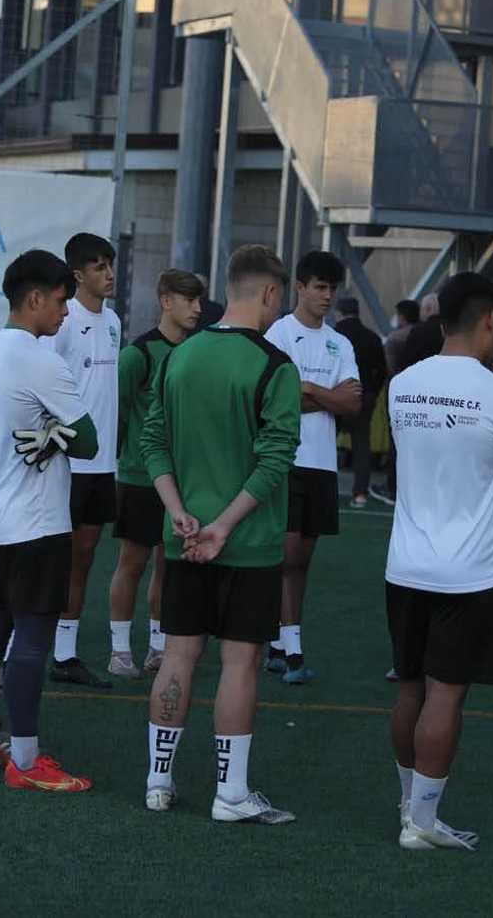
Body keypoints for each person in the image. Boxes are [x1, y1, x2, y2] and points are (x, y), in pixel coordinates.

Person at [141, 245, 301, 824]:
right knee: (240, 663)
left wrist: (181, 513)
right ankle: (230, 795)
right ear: (269, 294)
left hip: (184, 538)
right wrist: (223, 527)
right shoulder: (275, 364)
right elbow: (275, 458)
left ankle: (158, 783)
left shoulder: (178, 357)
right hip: (247, 543)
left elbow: (151, 440)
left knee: (178, 655)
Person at [386, 272, 493, 850]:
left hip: (405, 563)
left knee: (409, 688)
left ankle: (408, 805)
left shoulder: (402, 385)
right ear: (491, 321)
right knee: (446, 693)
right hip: (470, 571)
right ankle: (421, 822)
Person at [0, 249, 100, 791]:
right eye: (62, 300)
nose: (67, 311)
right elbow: (86, 440)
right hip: (37, 523)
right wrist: (57, 436)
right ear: (35, 298)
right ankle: (24, 760)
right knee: (33, 641)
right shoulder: (42, 358)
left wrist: (47, 436)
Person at [263, 250, 362, 683]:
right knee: (285, 559)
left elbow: (353, 402)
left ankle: (278, 644)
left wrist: (305, 387)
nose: (326, 296)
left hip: (322, 465)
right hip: (285, 460)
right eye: (319, 287)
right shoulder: (278, 334)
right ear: (298, 288)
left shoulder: (342, 342)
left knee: (301, 561)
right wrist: (325, 394)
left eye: (332, 288)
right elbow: (275, 400)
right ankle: (295, 653)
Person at [106, 269, 205, 680]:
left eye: (199, 301)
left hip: (180, 484)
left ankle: (158, 647)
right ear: (166, 301)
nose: (197, 309)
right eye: (189, 300)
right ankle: (118, 649)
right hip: (139, 478)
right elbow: (121, 413)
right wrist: (129, 461)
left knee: (168, 567)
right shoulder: (138, 354)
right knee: (132, 564)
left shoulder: (197, 352)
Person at [43, 232, 121, 689]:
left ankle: (65, 653)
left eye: (110, 264)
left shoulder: (111, 321)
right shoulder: (64, 320)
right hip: (65, 463)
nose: (108, 273)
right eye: (99, 266)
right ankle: (19, 648)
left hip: (102, 464)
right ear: (77, 275)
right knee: (47, 556)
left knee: (84, 556)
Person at [334, 297, 389, 510]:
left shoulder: (333, 335)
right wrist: (371, 393)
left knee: (325, 443)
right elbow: (382, 371)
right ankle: (360, 494)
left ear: (339, 312)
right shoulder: (372, 338)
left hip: (334, 396)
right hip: (363, 397)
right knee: (361, 447)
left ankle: (323, 490)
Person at [371, 299, 425, 507]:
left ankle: (392, 486)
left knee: (397, 441)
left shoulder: (395, 338)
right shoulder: (426, 334)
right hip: (423, 395)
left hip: (398, 393)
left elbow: (388, 367)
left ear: (401, 317)